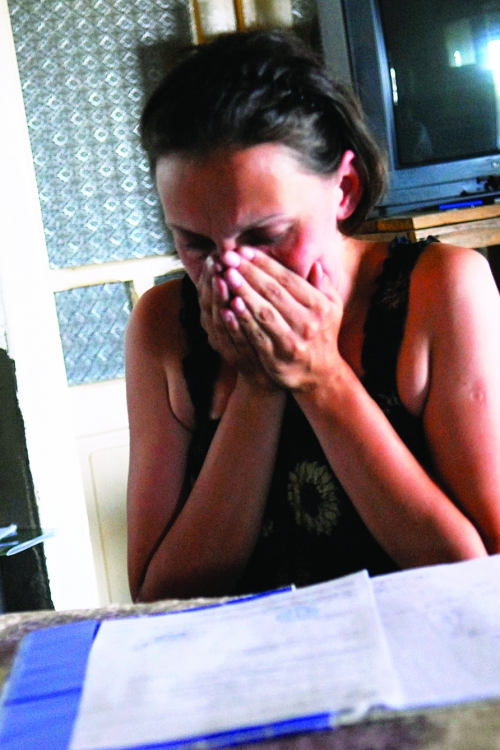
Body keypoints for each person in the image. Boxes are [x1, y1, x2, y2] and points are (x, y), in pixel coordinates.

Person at [125, 29, 500, 603]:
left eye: (266, 236)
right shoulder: (162, 326)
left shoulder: (441, 288)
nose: (232, 274)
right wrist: (258, 387)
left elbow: (482, 576)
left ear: (344, 188)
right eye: (195, 243)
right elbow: (159, 598)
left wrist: (320, 376)